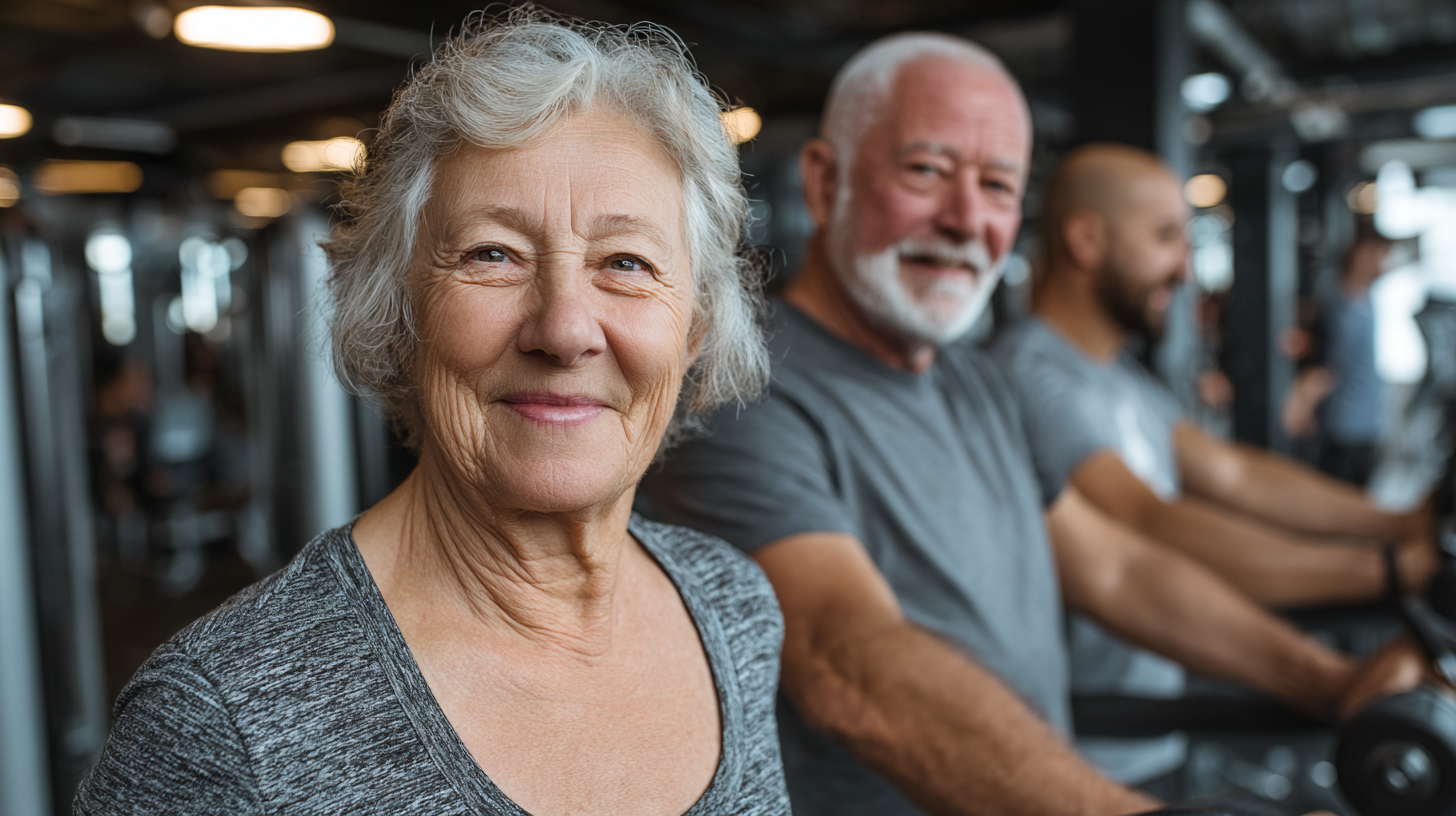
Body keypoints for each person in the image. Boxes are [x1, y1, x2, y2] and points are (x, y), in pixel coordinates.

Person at [642, 33, 1425, 816]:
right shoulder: (742, 393)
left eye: (997, 185)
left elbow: (1118, 568)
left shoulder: (974, 379)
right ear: (824, 182)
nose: (965, 218)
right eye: (927, 172)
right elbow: (850, 665)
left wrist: (1329, 680)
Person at [75, 14, 791, 815]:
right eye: (494, 255)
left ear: (693, 331)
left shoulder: (732, 608)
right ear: (398, 312)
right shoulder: (222, 722)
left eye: (625, 263)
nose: (563, 329)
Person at [992, 145, 1431, 609]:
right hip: (1097, 684)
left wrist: (1401, 523)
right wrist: (1390, 570)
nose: (1185, 271)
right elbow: (1146, 521)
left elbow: (1234, 474)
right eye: (1165, 238)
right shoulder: (1025, 373)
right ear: (1087, 239)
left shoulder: (1119, 374)